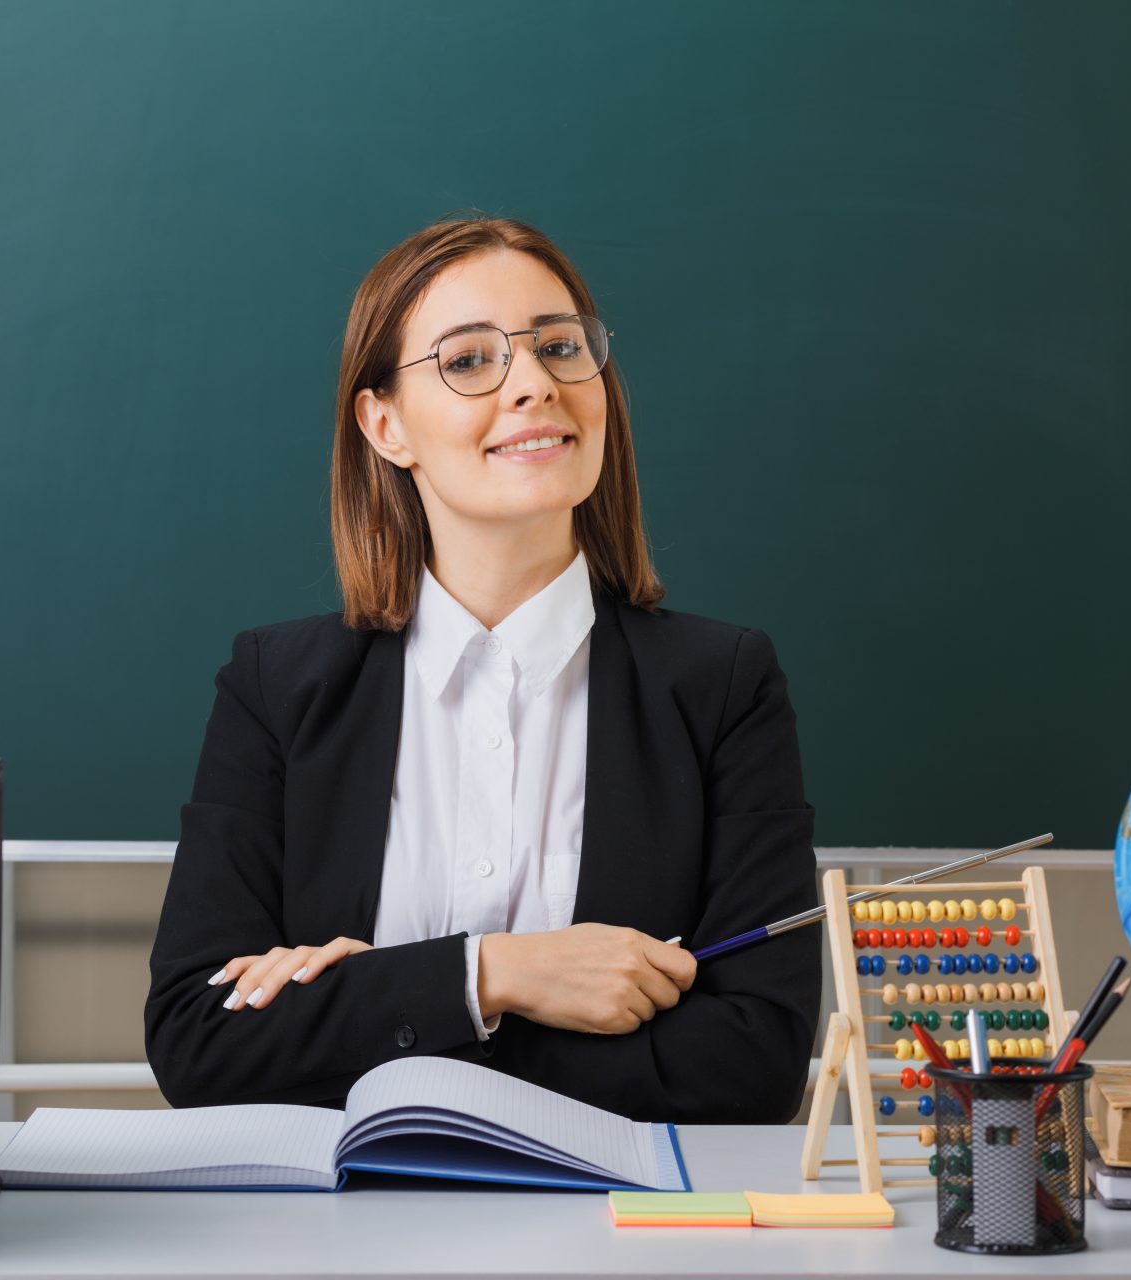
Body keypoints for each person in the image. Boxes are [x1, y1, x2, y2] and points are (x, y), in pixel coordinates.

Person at [144, 214, 819, 1122]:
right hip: (335, 1248)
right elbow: (201, 1043)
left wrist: (368, 1003)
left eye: (559, 346)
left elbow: (752, 1065)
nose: (535, 384)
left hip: (619, 1244)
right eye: (468, 361)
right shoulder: (276, 686)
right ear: (385, 425)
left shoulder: (722, 685)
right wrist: (499, 973)